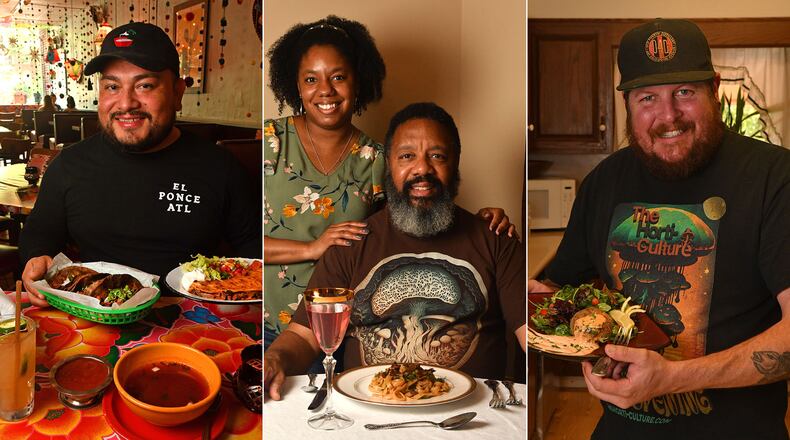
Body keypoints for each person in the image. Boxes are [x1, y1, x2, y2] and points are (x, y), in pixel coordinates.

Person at [530, 19, 790, 438]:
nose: (668, 116)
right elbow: (564, 294)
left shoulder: (775, 177)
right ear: (628, 104)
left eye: (684, 92)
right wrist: (534, 310)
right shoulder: (603, 183)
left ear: (715, 90)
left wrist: (673, 377)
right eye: (647, 97)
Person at [263, 16, 516, 347]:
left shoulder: (378, 158)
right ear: (297, 86)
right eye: (311, 79)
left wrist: (483, 224)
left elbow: (409, 226)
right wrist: (312, 248)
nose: (325, 90)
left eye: (338, 77)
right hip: (274, 327)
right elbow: (243, 239)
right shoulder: (271, 142)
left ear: (358, 82)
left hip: (350, 328)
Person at [264, 102, 526, 400]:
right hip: (366, 415)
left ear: (455, 164)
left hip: (470, 417)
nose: (422, 169)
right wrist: (275, 359)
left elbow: (529, 333)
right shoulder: (350, 244)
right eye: (407, 156)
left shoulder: (495, 239)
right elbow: (304, 335)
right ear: (389, 164)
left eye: (437, 156)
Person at [19, 22, 261, 308]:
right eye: (112, 86)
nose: (126, 103)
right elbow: (39, 236)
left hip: (192, 319)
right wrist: (37, 259)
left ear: (177, 93)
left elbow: (254, 251)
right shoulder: (69, 164)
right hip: (94, 314)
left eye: (145, 85)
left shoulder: (221, 167)